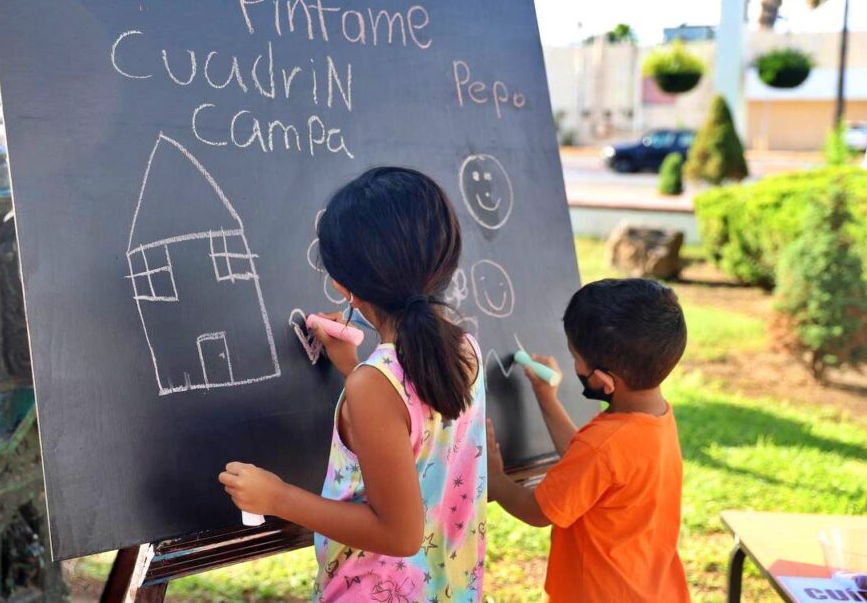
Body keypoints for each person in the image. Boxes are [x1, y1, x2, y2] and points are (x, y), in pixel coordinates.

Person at [218, 167, 488, 602]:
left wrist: (278, 497)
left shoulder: (376, 387)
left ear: (344, 286)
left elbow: (399, 535)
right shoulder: (465, 349)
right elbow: (414, 425)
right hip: (449, 588)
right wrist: (354, 370)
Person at [487, 278, 690, 602]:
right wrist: (547, 398)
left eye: (574, 356)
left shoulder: (604, 445)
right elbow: (586, 469)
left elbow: (539, 511)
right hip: (648, 589)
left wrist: (495, 480)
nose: (573, 363)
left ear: (602, 381)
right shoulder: (656, 418)